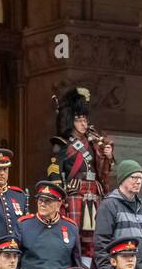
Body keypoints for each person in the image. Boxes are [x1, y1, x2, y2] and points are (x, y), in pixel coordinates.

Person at [48, 85, 112, 259]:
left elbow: (103, 170)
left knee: (92, 237)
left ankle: (89, 268)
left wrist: (107, 155)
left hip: (93, 192)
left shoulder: (93, 141)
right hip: (74, 193)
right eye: (79, 120)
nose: (84, 124)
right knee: (74, 233)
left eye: (85, 119)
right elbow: (55, 172)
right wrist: (58, 199)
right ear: (70, 120)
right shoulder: (62, 143)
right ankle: (75, 266)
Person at [15, 181, 82, 269]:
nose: (42, 204)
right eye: (40, 200)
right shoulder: (24, 225)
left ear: (59, 204)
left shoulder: (70, 227)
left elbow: (76, 263)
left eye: (48, 201)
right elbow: (15, 260)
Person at [92, 159, 142, 269]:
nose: (138, 181)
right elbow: (101, 245)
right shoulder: (109, 206)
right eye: (134, 177)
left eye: (141, 178)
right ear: (122, 179)